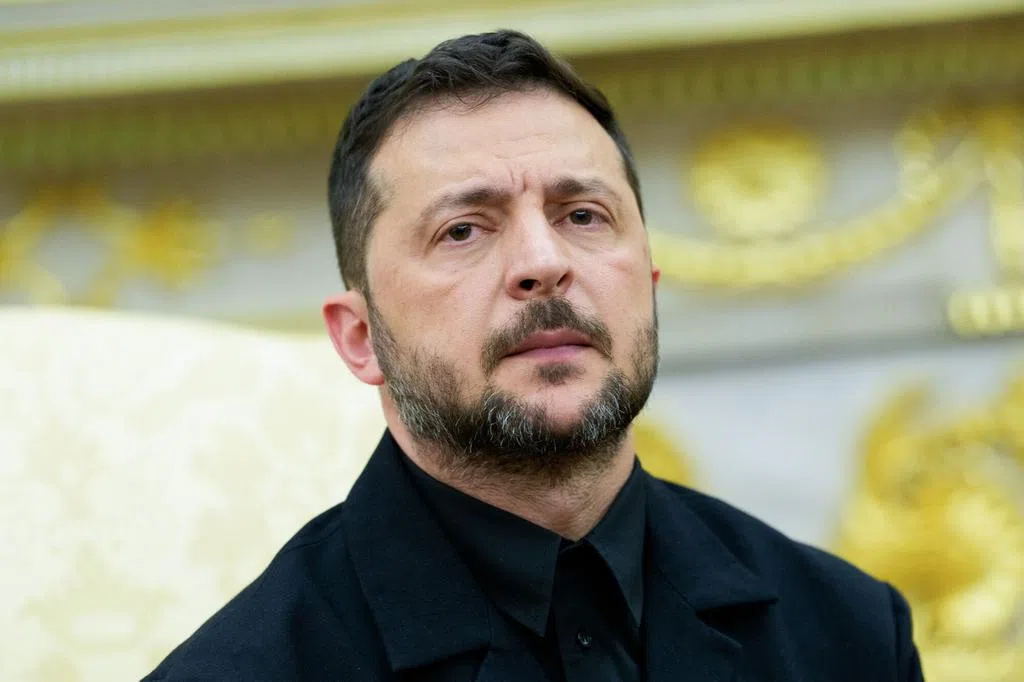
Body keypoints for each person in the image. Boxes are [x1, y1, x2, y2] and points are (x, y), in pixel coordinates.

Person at [144, 30, 924, 682]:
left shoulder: (849, 632)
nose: (544, 263)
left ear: (648, 287)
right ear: (360, 337)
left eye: (582, 214)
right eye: (463, 230)